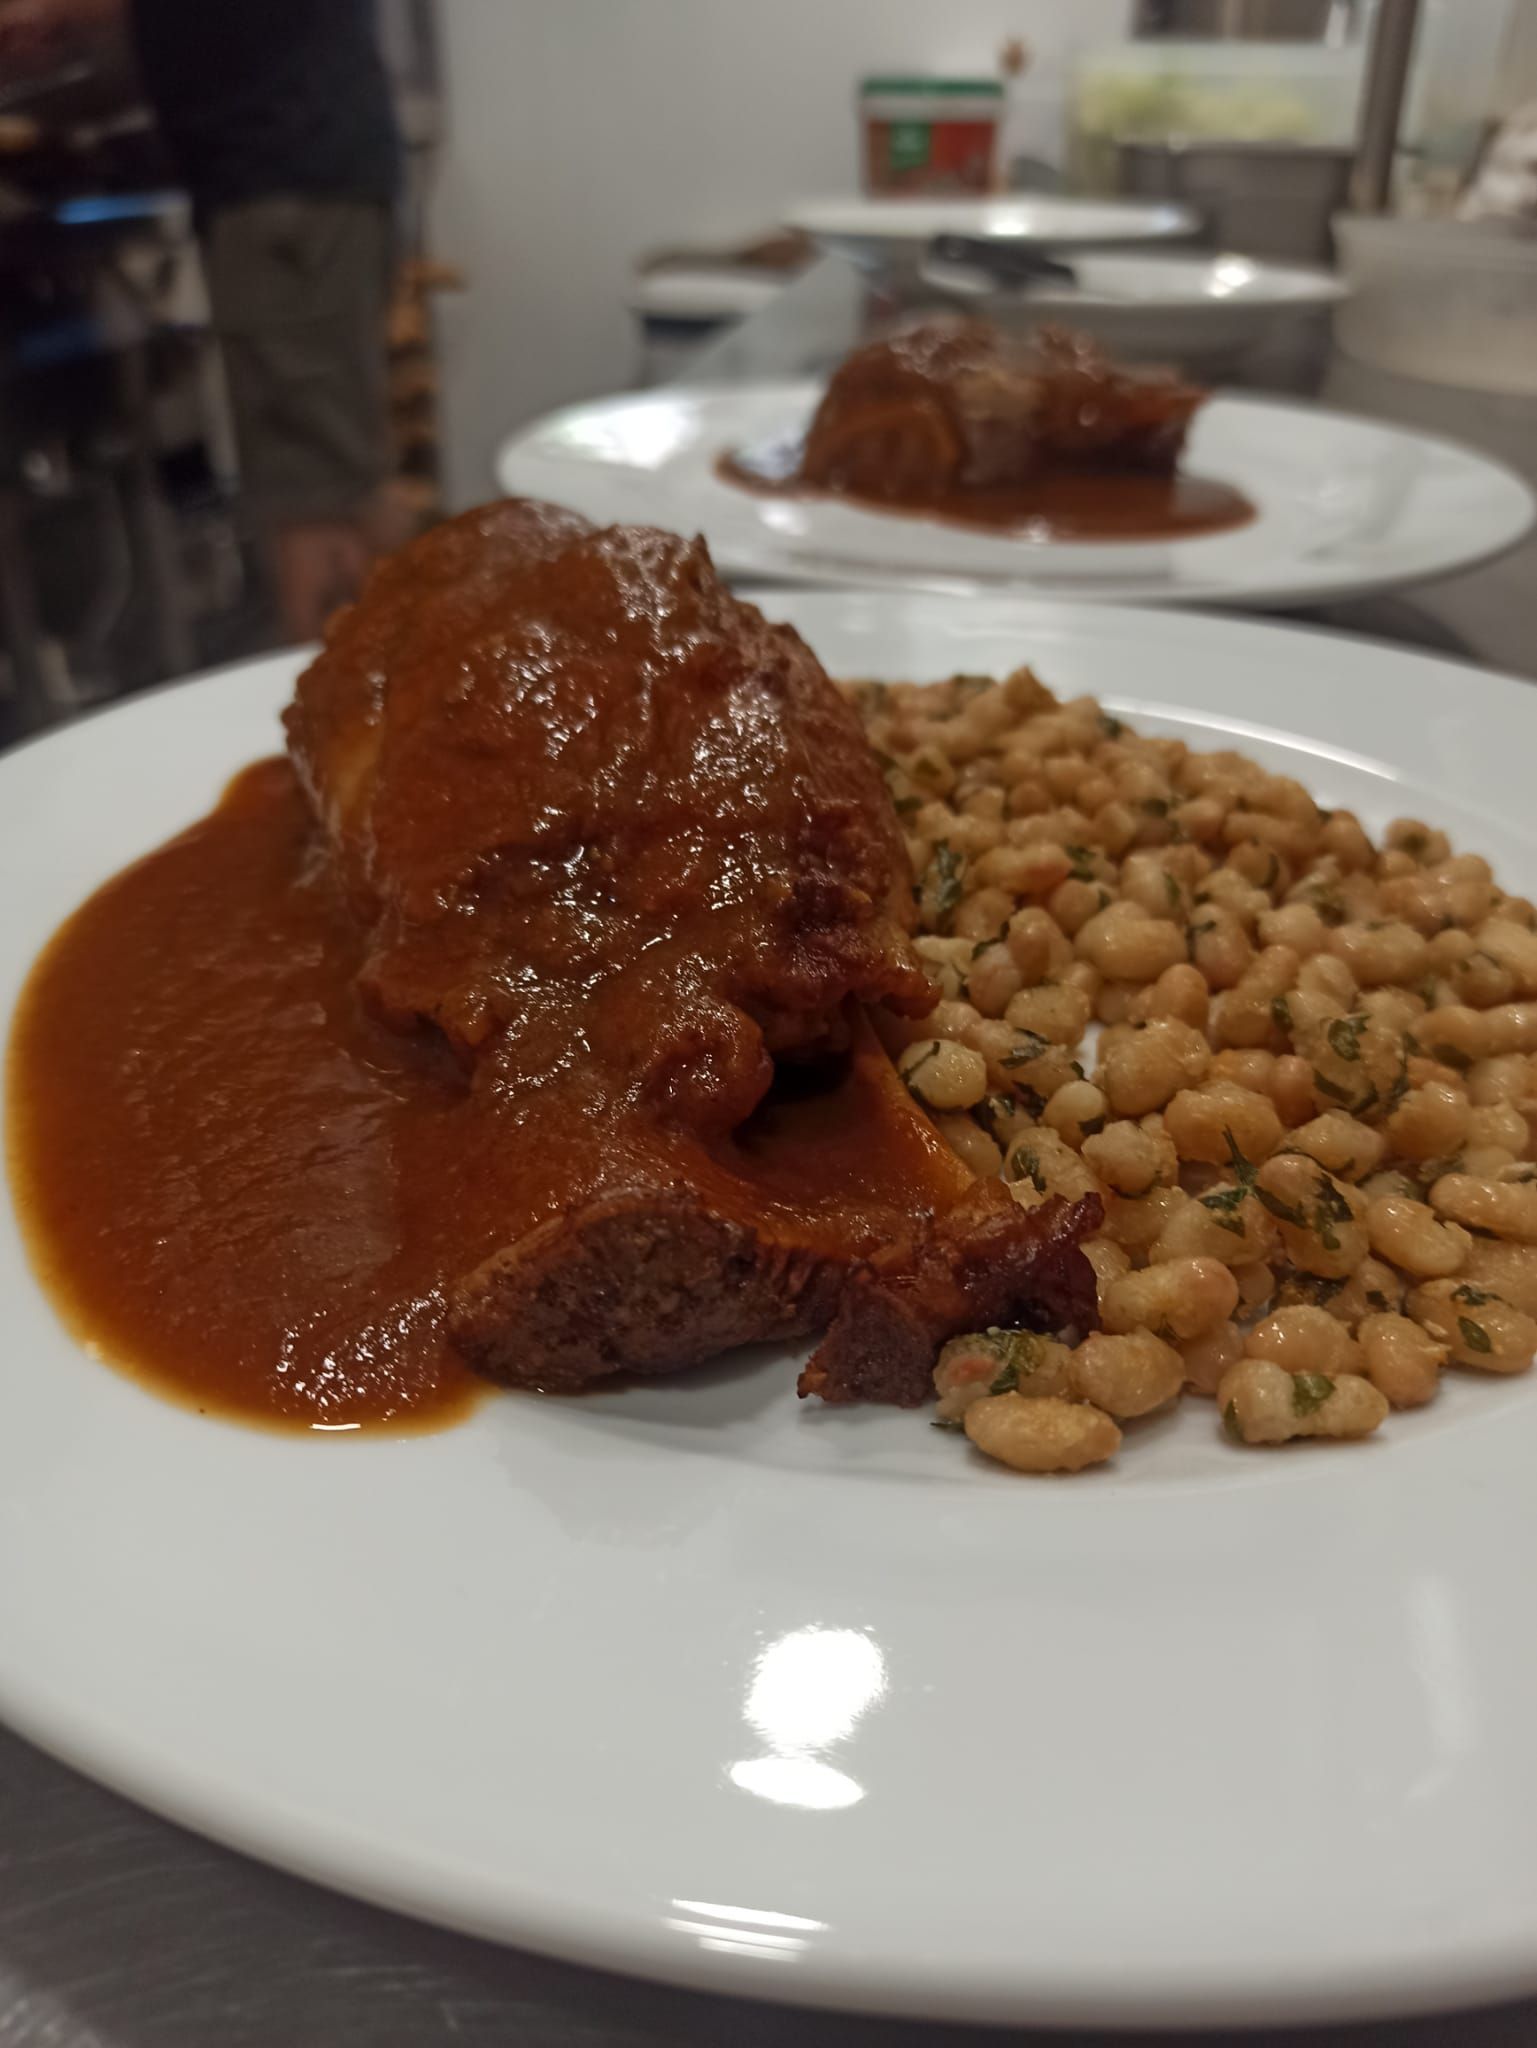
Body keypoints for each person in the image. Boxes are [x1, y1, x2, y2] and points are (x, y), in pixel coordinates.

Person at [0, 0, 403, 642]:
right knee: (337, 477)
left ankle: (347, 687)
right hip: (305, 170)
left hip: (283, 179)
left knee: (311, 497)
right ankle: (388, 677)